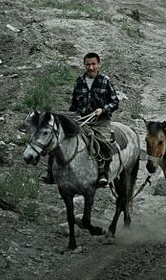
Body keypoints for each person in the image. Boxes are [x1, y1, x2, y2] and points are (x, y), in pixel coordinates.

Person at [40, 52, 120, 187]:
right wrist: (70, 118)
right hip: (82, 120)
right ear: (84, 65)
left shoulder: (105, 80)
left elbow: (115, 102)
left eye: (93, 64)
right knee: (59, 138)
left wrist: (103, 110)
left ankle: (103, 173)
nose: (91, 67)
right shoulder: (79, 82)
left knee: (104, 142)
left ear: (99, 64)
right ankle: (50, 172)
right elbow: (74, 105)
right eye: (88, 64)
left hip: (100, 121)